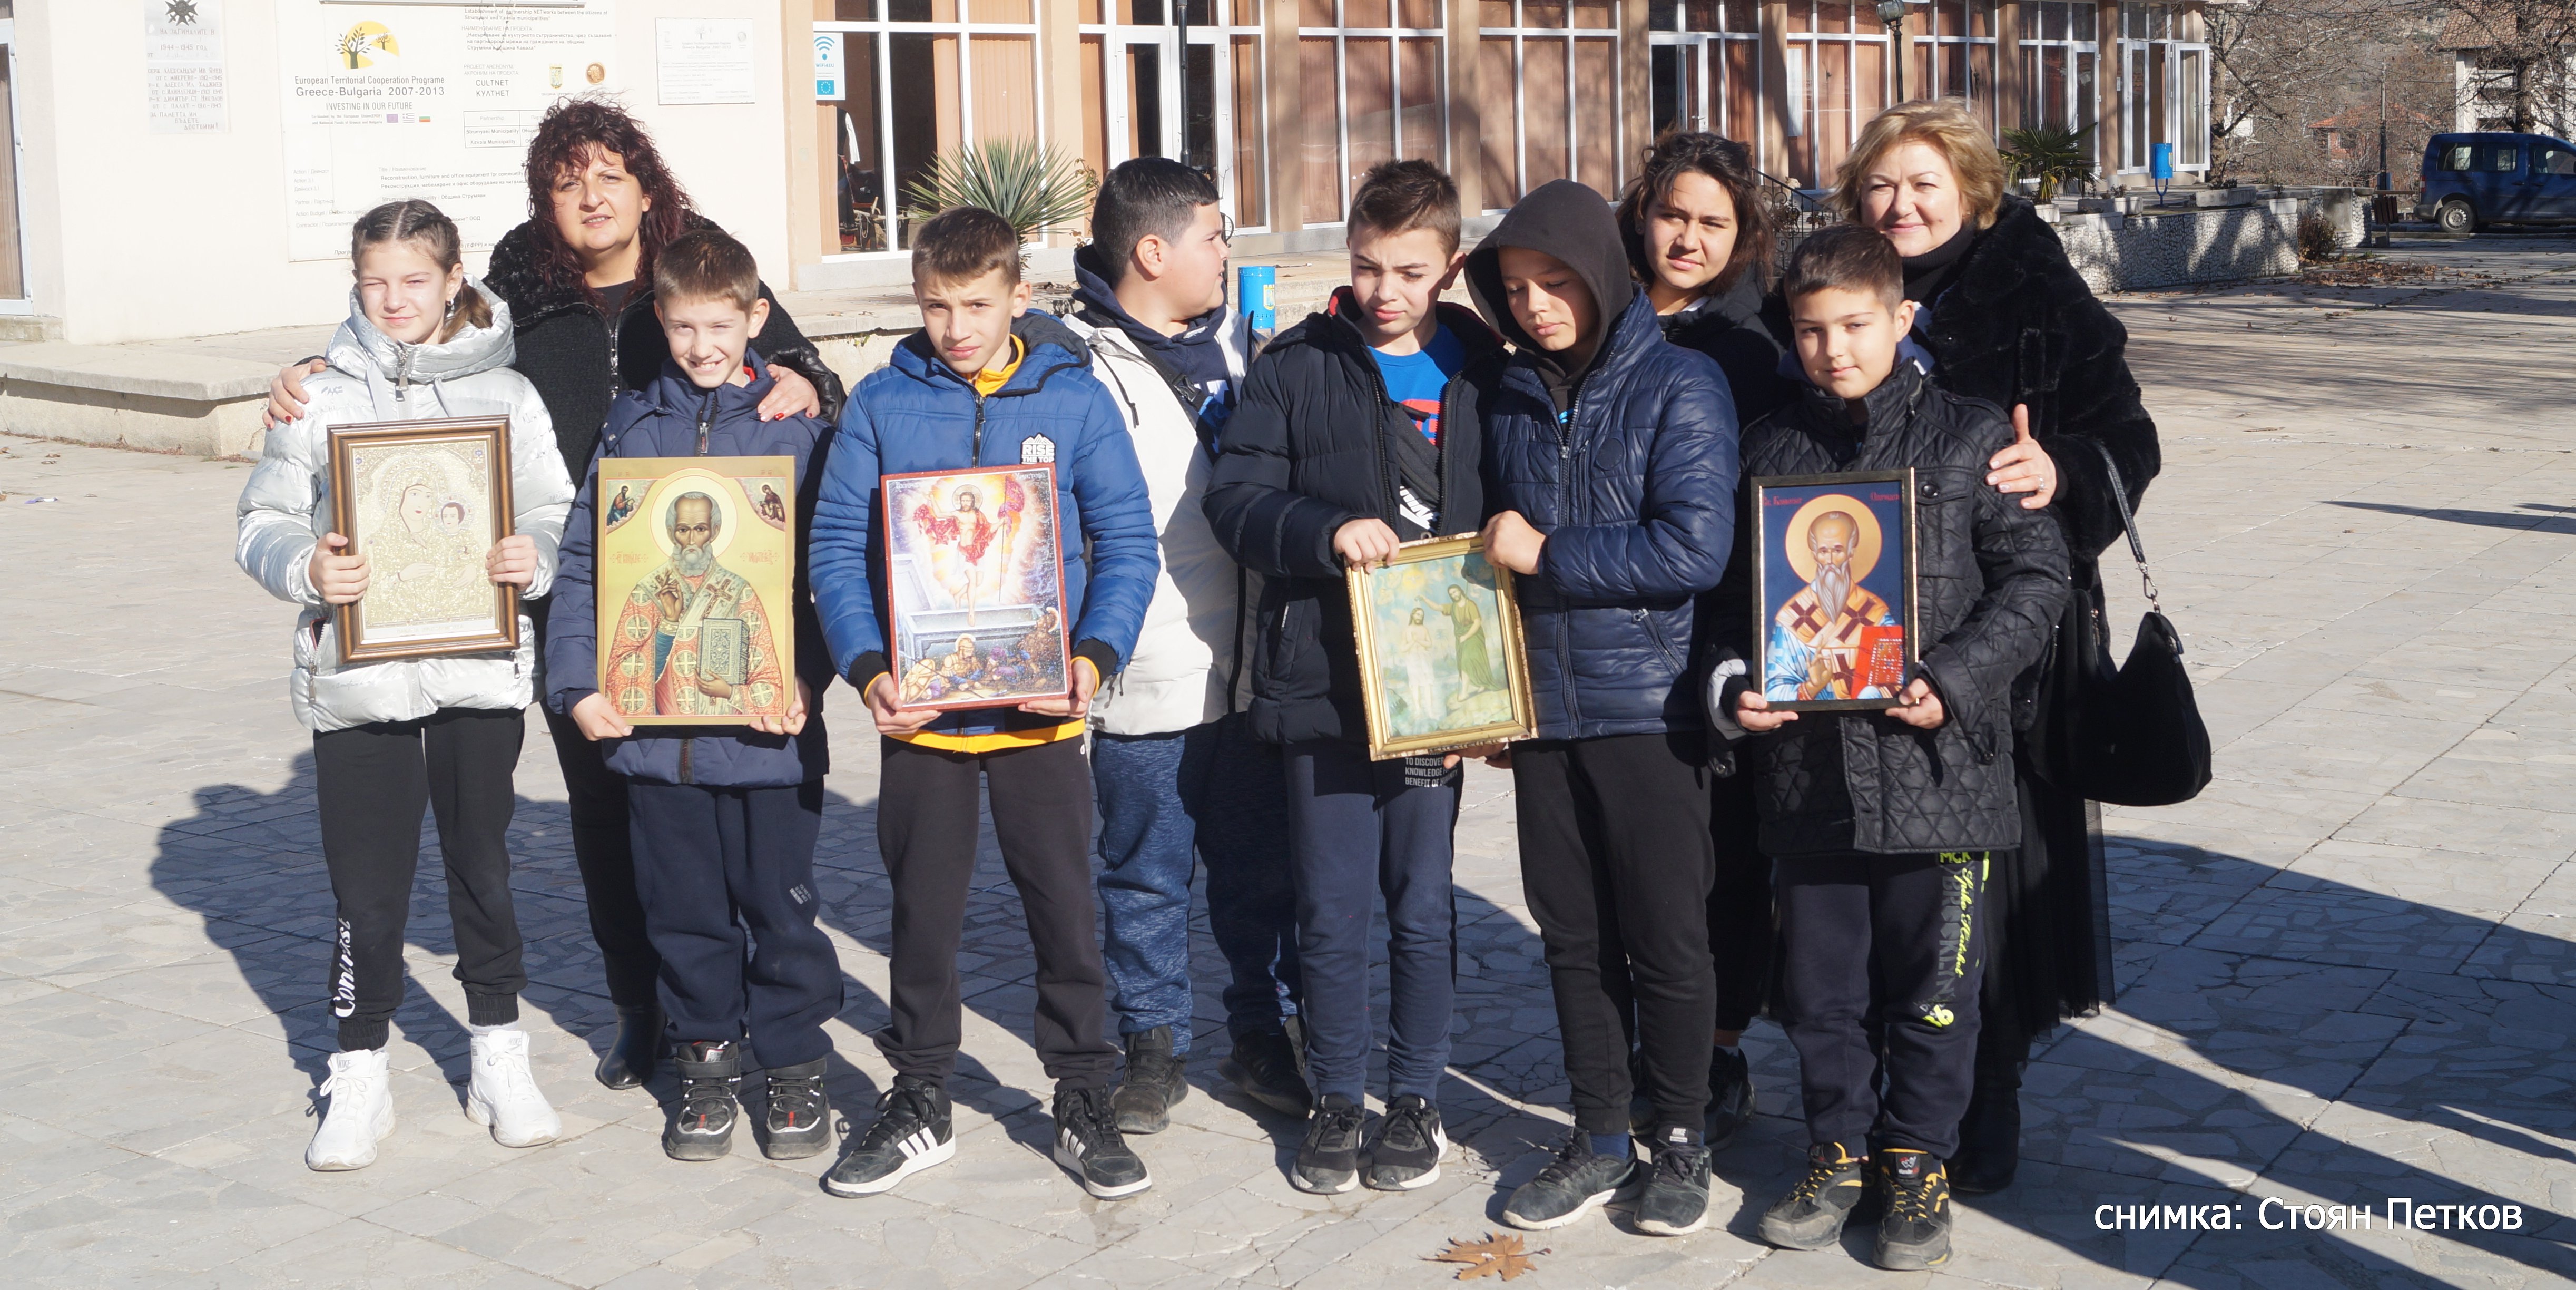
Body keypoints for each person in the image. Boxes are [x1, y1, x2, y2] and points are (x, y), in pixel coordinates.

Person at [264, 100, 848, 1092]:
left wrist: (803, 379)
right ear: (546, 200)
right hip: (572, 589)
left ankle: (751, 1018)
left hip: (715, 583)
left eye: (610, 176)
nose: (592, 197)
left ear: (646, 187)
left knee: (727, 818)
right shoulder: (521, 286)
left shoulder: (695, 268)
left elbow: (790, 365)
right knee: (607, 810)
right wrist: (320, 366)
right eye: (568, 182)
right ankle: (642, 1008)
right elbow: (421, 338)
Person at [1716, 225, 2068, 1272]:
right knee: (1820, 992)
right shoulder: (1769, 451)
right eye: (1810, 331)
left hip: (1939, 775)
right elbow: (1734, 607)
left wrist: (1953, 680)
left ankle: (1917, 1160)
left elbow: (2037, 579)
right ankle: (1836, 1152)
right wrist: (1739, 686)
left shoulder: (1969, 440)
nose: (1833, 349)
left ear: (1901, 319)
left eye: (1855, 326)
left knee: (1934, 988)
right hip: (1809, 778)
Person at [1837, 99, 2161, 1194]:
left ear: (1971, 192)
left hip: (2008, 641)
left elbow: (2129, 437)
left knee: (1992, 878)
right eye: (1881, 185)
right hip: (1861, 628)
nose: (1901, 206)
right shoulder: (1832, 288)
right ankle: (1875, 1098)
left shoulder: (2035, 288)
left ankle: (1991, 1092)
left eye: (1923, 184)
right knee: (1874, 873)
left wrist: (2061, 468)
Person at [809, 206, 1162, 1200]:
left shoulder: (1074, 400)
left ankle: (1082, 1094)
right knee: (922, 914)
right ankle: (920, 1095)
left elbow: (1127, 541)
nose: (956, 327)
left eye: (975, 304)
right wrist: (868, 666)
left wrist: (1093, 655)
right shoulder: (882, 403)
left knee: (1064, 908)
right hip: (925, 715)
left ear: (1018, 295)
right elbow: (835, 547)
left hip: (1040, 710)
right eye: (936, 306)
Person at [235, 199, 573, 1171]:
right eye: (374, 281)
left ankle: (499, 1054)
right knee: (367, 887)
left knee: (483, 866)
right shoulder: (315, 397)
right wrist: (307, 565)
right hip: (359, 677)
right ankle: (359, 1069)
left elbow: (553, 506)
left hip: (478, 667)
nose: (394, 299)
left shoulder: (508, 393)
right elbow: (262, 521)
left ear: (454, 279)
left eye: (415, 280)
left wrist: (535, 554)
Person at [1204, 158, 1505, 1195]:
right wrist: (1326, 530)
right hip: (1322, 683)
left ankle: (1414, 1099)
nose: (1384, 291)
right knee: (1330, 910)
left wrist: (1499, 683)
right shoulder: (1296, 365)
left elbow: (1520, 503)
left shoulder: (1485, 366)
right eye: (1369, 266)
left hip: (1438, 692)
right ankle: (1337, 1096)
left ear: (1450, 267)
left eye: (1410, 272)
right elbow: (1235, 502)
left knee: (1420, 905)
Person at [1468, 181, 1738, 1238]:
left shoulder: (1682, 383)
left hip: (1648, 706)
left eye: (1555, 282)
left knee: (1667, 937)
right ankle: (1597, 1133)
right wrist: (1485, 689)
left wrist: (1551, 554)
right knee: (1571, 936)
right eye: (1515, 289)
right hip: (1543, 710)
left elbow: (1693, 549)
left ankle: (1681, 1138)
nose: (1535, 305)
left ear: (1600, 274)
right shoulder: (1510, 394)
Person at [543, 228, 842, 1164]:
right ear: (660, 324)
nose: (701, 346)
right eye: (682, 328)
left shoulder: (798, 432)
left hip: (766, 740)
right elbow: (588, 564)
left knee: (780, 912)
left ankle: (793, 1066)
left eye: (719, 326)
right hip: (652, 741)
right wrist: (577, 685)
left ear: (756, 319)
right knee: (681, 912)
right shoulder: (632, 429)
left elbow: (830, 574)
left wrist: (805, 674)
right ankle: (704, 1062)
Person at [1061, 158, 1306, 1133]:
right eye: (1214, 235)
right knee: (1144, 878)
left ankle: (1263, 1033)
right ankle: (1151, 1047)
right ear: (1153, 252)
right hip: (1147, 678)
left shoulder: (1250, 349)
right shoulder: (1071, 366)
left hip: (1253, 674)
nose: (1226, 252)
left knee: (1261, 875)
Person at [1617, 132, 1785, 1148]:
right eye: (1673, 215)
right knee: (1629, 861)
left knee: (1724, 860)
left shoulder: (1756, 343)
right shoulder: (1595, 311)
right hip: (1606, 626)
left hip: (1717, 626)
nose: (1687, 238)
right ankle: (1634, 1043)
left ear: (1742, 233)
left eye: (1712, 223)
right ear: (1642, 214)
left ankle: (1716, 1052)